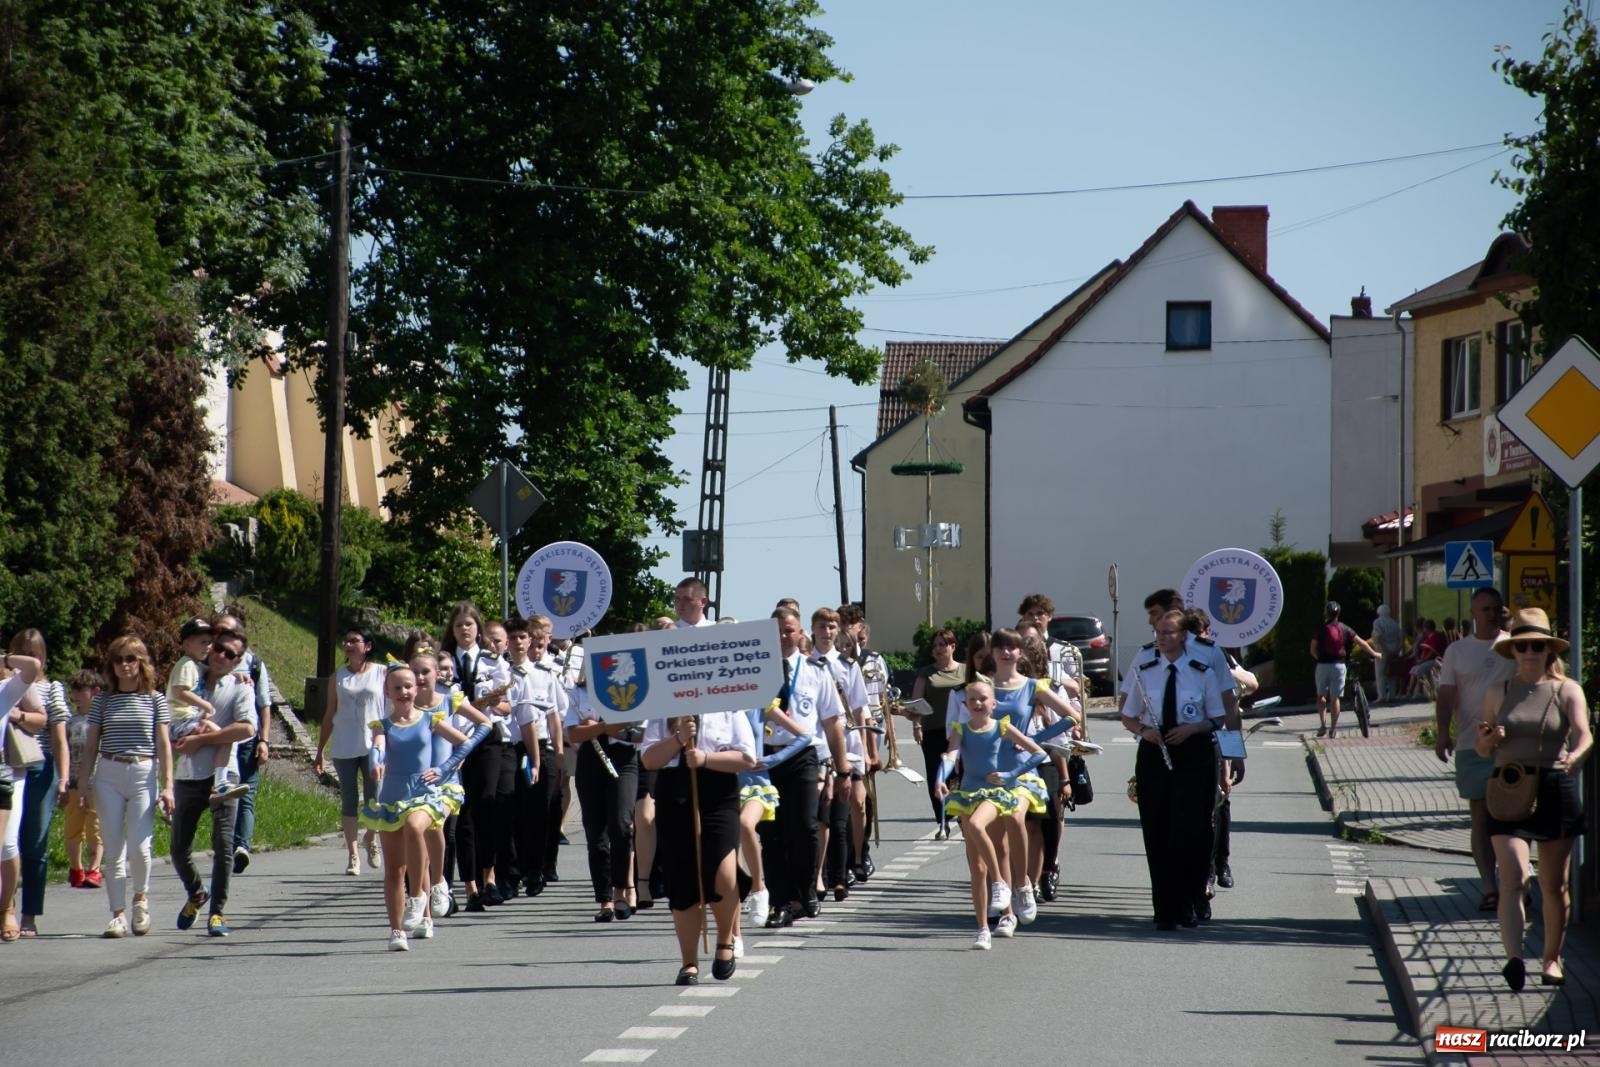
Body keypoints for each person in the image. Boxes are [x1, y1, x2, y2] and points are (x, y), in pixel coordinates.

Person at [1474, 608, 1593, 990]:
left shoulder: (1567, 689)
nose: (1529, 652)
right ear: (1513, 651)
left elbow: (1583, 733)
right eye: (1522, 645)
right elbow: (1481, 745)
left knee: (1554, 884)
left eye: (1536, 646)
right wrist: (1489, 740)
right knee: (1514, 874)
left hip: (1555, 786)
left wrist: (1576, 756)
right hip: (1508, 788)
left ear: (1548, 650)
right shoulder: (1499, 691)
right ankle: (1514, 958)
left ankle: (1552, 959)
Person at [360, 665, 479, 951]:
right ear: (387, 692)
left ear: (417, 689)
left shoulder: (430, 719)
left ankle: (418, 898)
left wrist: (445, 768)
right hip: (391, 798)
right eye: (397, 687)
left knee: (416, 826)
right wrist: (377, 761)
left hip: (424, 794)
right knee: (394, 870)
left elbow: (464, 743)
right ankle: (397, 930)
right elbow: (378, 746)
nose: (403, 692)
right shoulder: (383, 726)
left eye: (408, 686)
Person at [1121, 610, 1226, 930]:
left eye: (1168, 632)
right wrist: (1144, 731)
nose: (1161, 637)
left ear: (1183, 636)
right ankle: (1164, 910)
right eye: (1158, 632)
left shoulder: (1202, 669)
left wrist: (1193, 729)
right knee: (1158, 832)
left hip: (1194, 754)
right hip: (1155, 752)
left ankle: (1189, 901)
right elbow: (1128, 714)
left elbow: (1218, 718)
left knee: (1191, 831)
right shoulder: (1145, 667)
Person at [643, 710, 757, 984]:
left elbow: (747, 757)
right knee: (683, 881)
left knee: (724, 872)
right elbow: (648, 760)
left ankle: (725, 940)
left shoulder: (729, 709)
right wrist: (679, 739)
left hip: (718, 794)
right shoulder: (661, 711)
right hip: (674, 794)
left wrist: (706, 758)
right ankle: (689, 962)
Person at [933, 680, 1048, 950]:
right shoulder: (961, 729)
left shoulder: (1002, 727)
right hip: (967, 794)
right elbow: (951, 755)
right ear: (965, 705)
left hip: (994, 794)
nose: (977, 703)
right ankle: (983, 929)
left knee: (975, 823)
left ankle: (1000, 882)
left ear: (993, 704)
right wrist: (941, 777)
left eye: (983, 699)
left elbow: (1037, 752)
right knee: (976, 868)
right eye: (971, 700)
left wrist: (1010, 775)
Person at [79, 636, 174, 938]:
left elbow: (163, 744)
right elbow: (91, 744)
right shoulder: (103, 701)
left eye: (131, 659)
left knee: (140, 847)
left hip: (143, 771)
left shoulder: (155, 699)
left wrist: (169, 786)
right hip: (109, 771)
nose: (124, 665)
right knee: (113, 846)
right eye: (118, 659)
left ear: (142, 662)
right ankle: (117, 914)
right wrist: (83, 785)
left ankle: (141, 899)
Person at [760, 606, 849, 928]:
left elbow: (831, 722)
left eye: (789, 630)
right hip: (765, 756)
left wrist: (843, 770)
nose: (783, 636)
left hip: (802, 756)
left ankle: (804, 890)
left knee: (805, 828)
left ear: (800, 634)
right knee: (771, 833)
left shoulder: (815, 670)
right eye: (778, 630)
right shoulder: (755, 669)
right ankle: (780, 901)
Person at [170, 628, 257, 937]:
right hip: (189, 774)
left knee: (223, 846)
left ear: (237, 662)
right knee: (179, 849)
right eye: (219, 648)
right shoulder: (190, 674)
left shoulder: (240, 687)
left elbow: (246, 728)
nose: (221, 656)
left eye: (230, 654)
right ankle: (196, 892)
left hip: (224, 776)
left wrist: (204, 739)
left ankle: (217, 912)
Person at [1433, 588, 1514, 912]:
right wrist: (1442, 734)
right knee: (1480, 816)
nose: (1491, 614)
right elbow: (1446, 695)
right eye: (1485, 609)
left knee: (1512, 815)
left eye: (1496, 608)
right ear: (1473, 612)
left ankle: (1515, 880)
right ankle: (1489, 886)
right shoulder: (1458, 651)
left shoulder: (1514, 646)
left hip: (1511, 745)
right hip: (1470, 744)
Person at [442, 601, 514, 910]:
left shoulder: (493, 661)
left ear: (478, 628)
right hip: (455, 738)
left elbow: (508, 706)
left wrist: (488, 703)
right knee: (464, 810)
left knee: (487, 802)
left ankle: (490, 878)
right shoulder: (444, 662)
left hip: (487, 738)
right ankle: (469, 884)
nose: (464, 631)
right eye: (458, 626)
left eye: (468, 625)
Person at [564, 672, 641, 922]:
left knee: (621, 825)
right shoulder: (579, 693)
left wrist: (598, 728)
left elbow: (641, 731)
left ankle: (621, 891)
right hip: (591, 759)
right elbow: (574, 734)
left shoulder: (632, 689)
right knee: (595, 832)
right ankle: (605, 899)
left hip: (624, 759)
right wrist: (605, 727)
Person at [9, 630, 70, 938]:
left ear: (42, 656)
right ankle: (7, 907)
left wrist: (64, 779)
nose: (26, 657)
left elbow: (59, 738)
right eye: (20, 650)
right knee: (8, 843)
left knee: (35, 843)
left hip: (40, 768)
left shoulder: (51, 689)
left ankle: (29, 913)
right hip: (8, 767)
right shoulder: (6, 683)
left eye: (32, 652)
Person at [314, 627, 387, 875]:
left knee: (374, 798)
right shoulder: (339, 677)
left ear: (367, 646)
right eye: (346, 641)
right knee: (349, 799)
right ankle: (353, 855)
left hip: (373, 744)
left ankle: (371, 839)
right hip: (345, 744)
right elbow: (329, 714)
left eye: (354, 640)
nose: (348, 644)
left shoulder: (382, 673)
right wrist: (320, 750)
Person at [213, 611, 275, 875]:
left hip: (248, 740)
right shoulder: (208, 661)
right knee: (220, 796)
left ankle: (241, 847)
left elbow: (265, 705)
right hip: (218, 739)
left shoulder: (254, 664)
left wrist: (265, 740)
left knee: (246, 795)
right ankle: (224, 847)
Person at [166, 618, 247, 805]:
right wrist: (205, 705)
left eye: (210, 643)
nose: (208, 647)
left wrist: (234, 674)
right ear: (186, 644)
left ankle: (219, 782)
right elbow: (181, 691)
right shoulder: (186, 664)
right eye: (203, 642)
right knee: (225, 736)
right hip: (180, 721)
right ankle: (220, 783)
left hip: (184, 720)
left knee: (223, 737)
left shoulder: (195, 665)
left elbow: (216, 670)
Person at [0, 647, 45, 942]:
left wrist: (4, 661)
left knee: (5, 846)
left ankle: (6, 909)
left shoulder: (4, 690)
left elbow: (32, 666)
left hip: (1, 777)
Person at [909, 628, 965, 838]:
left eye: (943, 644)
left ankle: (962, 812)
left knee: (959, 775)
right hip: (933, 731)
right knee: (937, 775)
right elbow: (916, 704)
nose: (939, 649)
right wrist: (917, 726)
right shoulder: (926, 673)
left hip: (959, 731)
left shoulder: (964, 671)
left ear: (953, 646)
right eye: (935, 646)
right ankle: (943, 820)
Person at [1309, 601, 1382, 738]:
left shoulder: (1320, 629)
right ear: (1338, 613)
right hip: (1339, 665)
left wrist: (1319, 658)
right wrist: (1374, 654)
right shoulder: (1345, 628)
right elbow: (1361, 642)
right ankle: (1333, 729)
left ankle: (1323, 725)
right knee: (1335, 698)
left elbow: (1312, 649)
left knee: (1321, 696)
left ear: (1327, 613)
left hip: (1323, 665)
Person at [62, 671, 105, 890]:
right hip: (74, 782)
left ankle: (95, 868)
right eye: (73, 690)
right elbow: (63, 751)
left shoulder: (102, 720)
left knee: (95, 826)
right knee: (73, 826)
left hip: (98, 783)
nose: (75, 695)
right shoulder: (70, 721)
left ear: (95, 692)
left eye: (80, 690)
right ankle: (76, 868)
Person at [1370, 604, 1405, 703]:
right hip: (1394, 648)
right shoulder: (1394, 623)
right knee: (1392, 672)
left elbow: (1379, 637)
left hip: (1382, 650)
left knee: (1380, 673)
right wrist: (1397, 649)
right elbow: (1401, 637)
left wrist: (1385, 650)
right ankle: (1392, 695)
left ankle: (1382, 696)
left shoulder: (1377, 622)